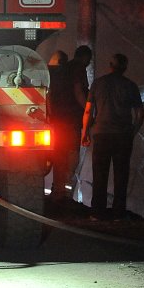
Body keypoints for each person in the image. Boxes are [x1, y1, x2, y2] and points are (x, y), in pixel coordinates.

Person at [81, 53, 143, 219]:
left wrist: (85, 132)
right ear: (125, 67)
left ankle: (97, 212)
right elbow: (139, 114)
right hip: (123, 136)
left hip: (101, 134)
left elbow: (88, 111)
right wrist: (132, 132)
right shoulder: (131, 86)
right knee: (121, 175)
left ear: (110, 65)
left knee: (99, 174)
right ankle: (118, 213)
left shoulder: (98, 84)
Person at [48, 45, 91, 203]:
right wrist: (88, 110)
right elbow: (79, 91)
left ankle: (57, 190)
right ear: (85, 58)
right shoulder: (78, 68)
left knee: (59, 155)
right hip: (71, 120)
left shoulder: (60, 71)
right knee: (71, 156)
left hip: (57, 119)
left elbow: (50, 94)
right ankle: (64, 193)